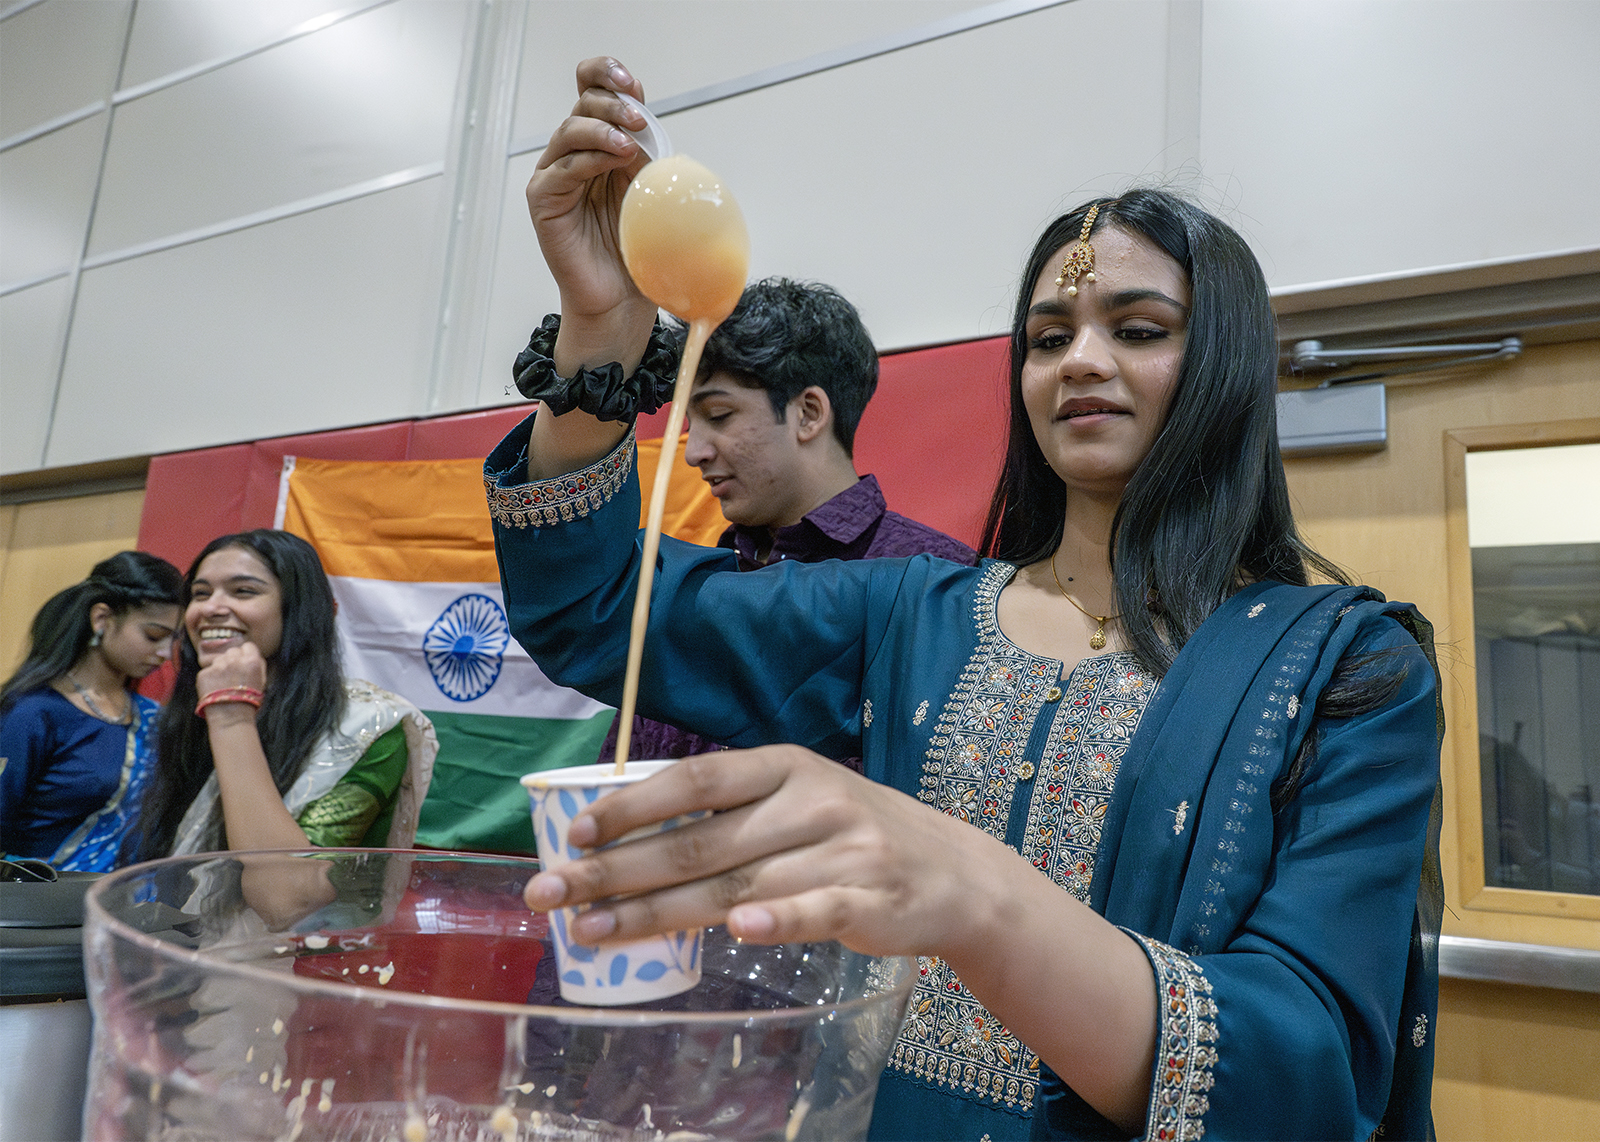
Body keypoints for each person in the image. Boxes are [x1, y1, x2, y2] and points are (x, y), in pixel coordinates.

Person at [488, 58, 1443, 1142]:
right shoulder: (910, 616)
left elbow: (1304, 1071)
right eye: (1046, 337)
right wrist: (599, 328)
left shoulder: (1348, 673)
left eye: (1136, 328)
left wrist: (971, 891)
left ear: (1222, 359)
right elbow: (599, 606)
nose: (1077, 359)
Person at [552, 275, 976, 762]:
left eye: (720, 414)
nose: (694, 453)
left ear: (809, 413)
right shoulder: (692, 588)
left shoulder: (940, 586)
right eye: (689, 425)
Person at [132, 530, 437, 861]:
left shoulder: (370, 726)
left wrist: (231, 714)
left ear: (301, 609)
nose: (211, 608)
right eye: (200, 594)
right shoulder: (184, 716)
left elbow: (286, 898)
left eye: (244, 591)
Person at [1, 552, 182, 871]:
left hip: (126, 904)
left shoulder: (155, 718)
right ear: (101, 619)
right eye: (153, 636)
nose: (165, 653)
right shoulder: (33, 713)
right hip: (36, 905)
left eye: (173, 640)